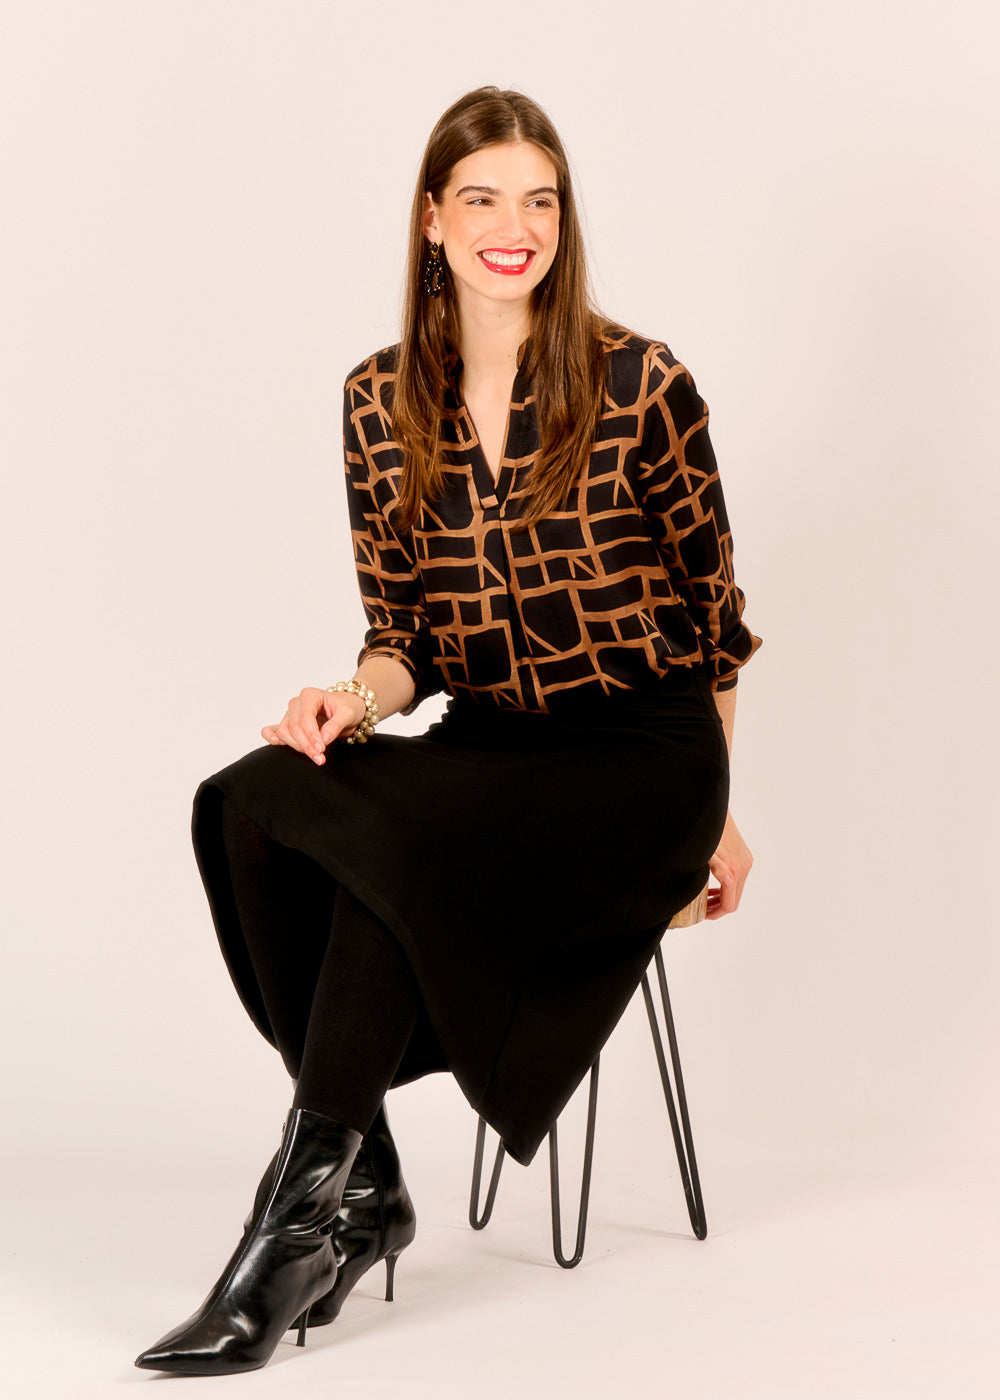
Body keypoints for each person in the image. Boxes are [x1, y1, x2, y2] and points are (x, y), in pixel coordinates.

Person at [134, 85, 762, 1377]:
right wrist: (350, 702)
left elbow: (716, 625)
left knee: (396, 847)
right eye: (481, 198)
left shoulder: (642, 385)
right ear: (433, 218)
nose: (510, 227)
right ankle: (363, 1179)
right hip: (487, 750)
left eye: (538, 201)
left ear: (562, 221)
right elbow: (404, 636)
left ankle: (289, 1229)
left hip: (642, 759)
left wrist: (722, 812)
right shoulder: (380, 402)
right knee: (253, 802)